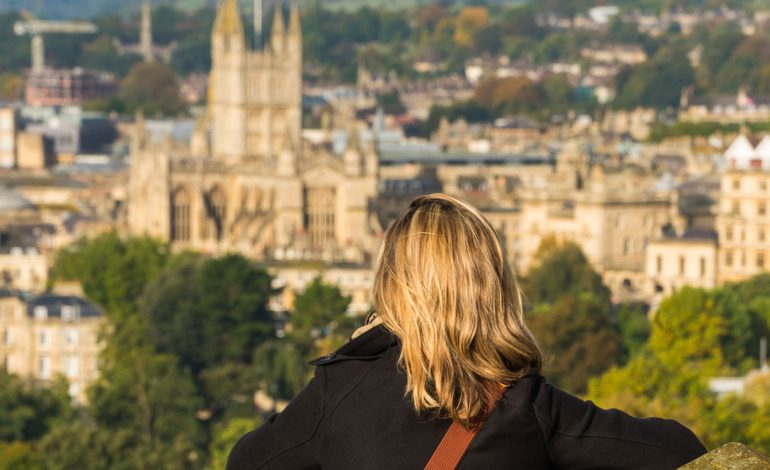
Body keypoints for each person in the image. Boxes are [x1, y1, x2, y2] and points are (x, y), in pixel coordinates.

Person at [227, 193, 706, 470]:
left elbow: (246, 464)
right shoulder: (529, 407)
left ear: (392, 282)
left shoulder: (339, 389)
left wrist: (358, 350)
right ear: (493, 286)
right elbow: (679, 450)